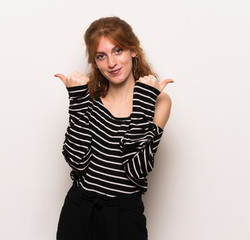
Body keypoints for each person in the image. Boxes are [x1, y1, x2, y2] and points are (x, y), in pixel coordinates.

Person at [54, 16, 173, 240]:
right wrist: (77, 101)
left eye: (118, 51)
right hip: (80, 208)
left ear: (133, 51)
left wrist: (143, 102)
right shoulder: (87, 96)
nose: (111, 63)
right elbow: (77, 161)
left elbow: (136, 170)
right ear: (95, 62)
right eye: (101, 56)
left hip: (124, 215)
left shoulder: (158, 101)